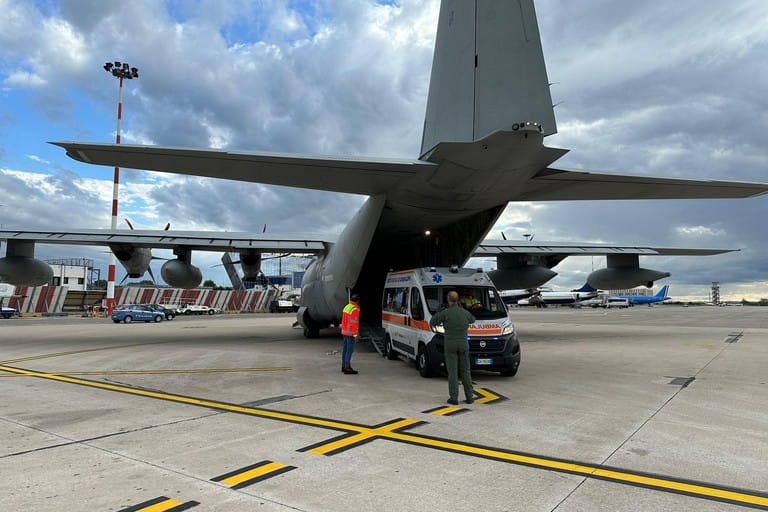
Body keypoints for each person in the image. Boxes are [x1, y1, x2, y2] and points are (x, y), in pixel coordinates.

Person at [429, 290, 475, 405]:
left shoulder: (445, 313)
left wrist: (439, 311)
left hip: (450, 345)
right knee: (465, 371)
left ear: (448, 300)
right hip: (464, 344)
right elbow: (473, 319)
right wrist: (462, 309)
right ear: (458, 300)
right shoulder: (464, 312)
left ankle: (454, 398)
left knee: (453, 372)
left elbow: (432, 322)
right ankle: (469, 397)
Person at [340, 293, 361, 375]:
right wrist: (356, 334)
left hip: (344, 331)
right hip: (350, 333)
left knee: (345, 350)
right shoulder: (354, 309)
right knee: (349, 350)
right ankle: (347, 367)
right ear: (357, 301)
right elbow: (354, 323)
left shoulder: (347, 307)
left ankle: (344, 365)